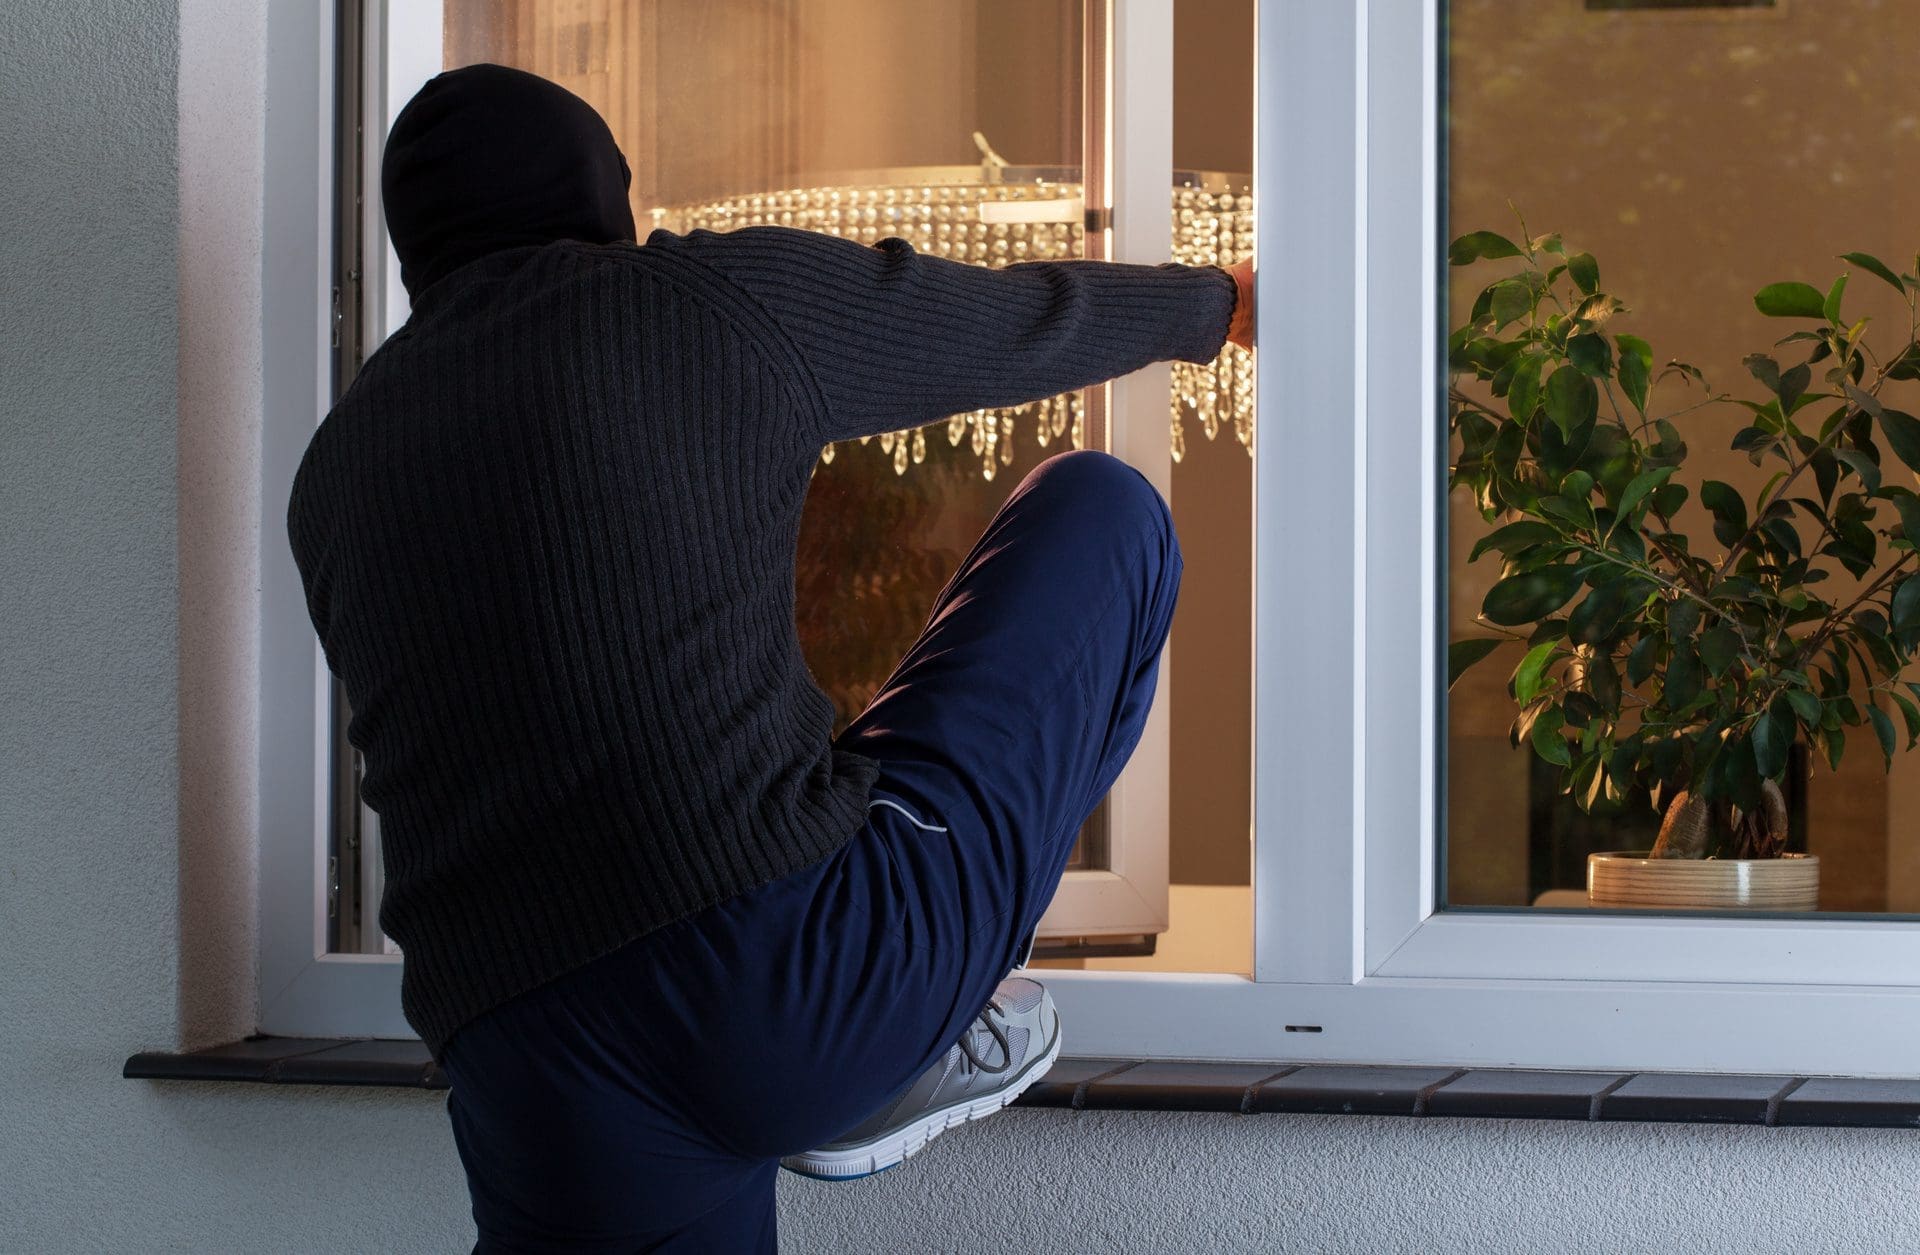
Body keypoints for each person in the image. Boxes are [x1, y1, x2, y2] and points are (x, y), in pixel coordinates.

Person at [286, 62, 1253, 1253]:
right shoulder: (693, 300)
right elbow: (998, 323)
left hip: (519, 1050)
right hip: (791, 979)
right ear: (603, 193)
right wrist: (1213, 306)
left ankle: (874, 1048)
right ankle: (911, 1039)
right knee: (1102, 510)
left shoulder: (333, 472)